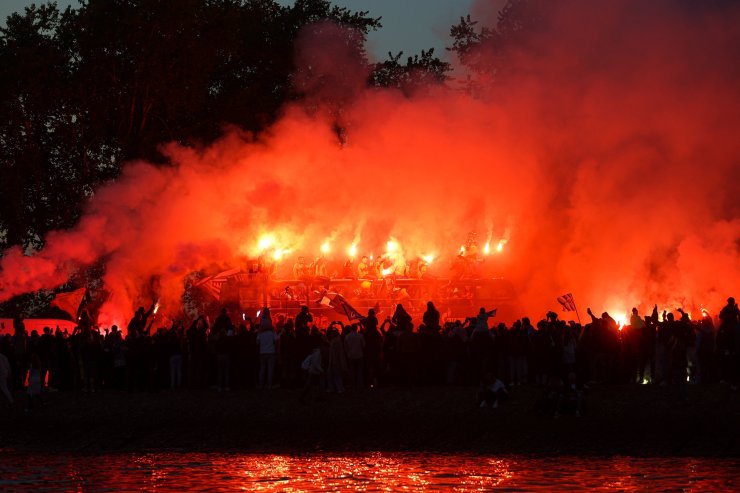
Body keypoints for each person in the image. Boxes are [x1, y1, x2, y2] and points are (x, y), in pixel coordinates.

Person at [256, 308, 279, 389]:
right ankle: (269, 385)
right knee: (270, 369)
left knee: (262, 369)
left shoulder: (260, 333)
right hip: (271, 352)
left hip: (262, 352)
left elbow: (257, 342)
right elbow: (276, 340)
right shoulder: (272, 332)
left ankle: (261, 384)